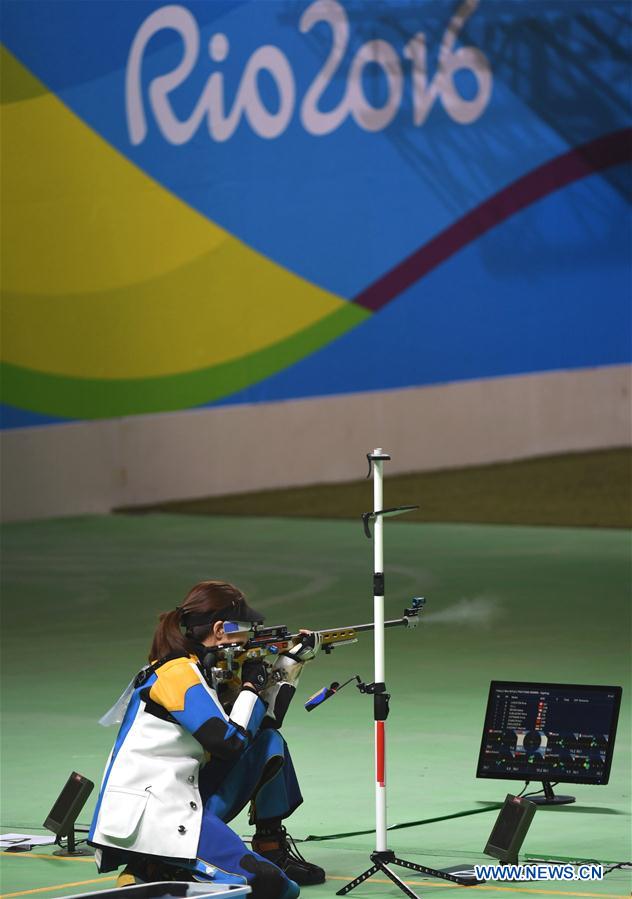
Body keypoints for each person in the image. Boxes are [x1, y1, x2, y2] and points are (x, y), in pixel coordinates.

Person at [89, 580, 326, 897]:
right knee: (276, 888)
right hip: (156, 813)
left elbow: (265, 721)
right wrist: (250, 688)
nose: (250, 638)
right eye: (245, 629)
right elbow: (228, 743)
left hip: (182, 795)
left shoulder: (205, 669)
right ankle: (153, 863)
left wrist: (290, 664)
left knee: (268, 742)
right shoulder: (177, 675)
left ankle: (267, 848)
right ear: (219, 630)